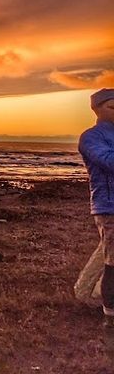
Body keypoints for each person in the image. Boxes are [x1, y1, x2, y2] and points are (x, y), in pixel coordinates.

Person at [76, 88, 114, 323]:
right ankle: (110, 317)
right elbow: (109, 162)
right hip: (109, 206)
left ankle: (85, 292)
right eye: (113, 107)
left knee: (107, 252)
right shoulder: (91, 136)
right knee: (112, 261)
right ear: (96, 109)